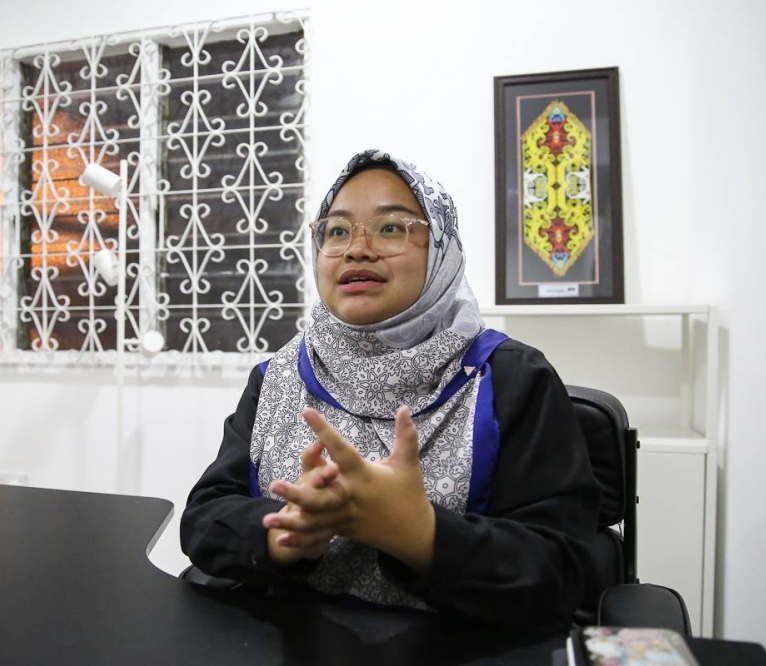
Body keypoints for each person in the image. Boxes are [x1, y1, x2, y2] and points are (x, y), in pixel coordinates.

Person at [180, 149, 600, 632]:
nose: (357, 249)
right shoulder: (278, 376)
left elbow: (562, 574)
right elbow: (205, 516)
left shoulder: (511, 378)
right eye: (336, 231)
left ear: (441, 250)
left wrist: (419, 535)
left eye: (391, 228)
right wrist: (283, 533)